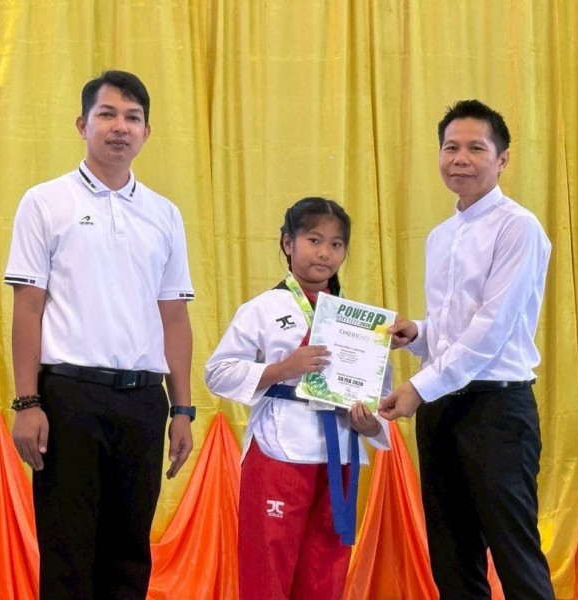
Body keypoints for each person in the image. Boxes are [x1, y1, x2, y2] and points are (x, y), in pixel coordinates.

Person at [3, 70, 196, 599]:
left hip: (143, 402)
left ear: (146, 132)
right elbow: (28, 308)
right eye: (107, 114)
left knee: (130, 551)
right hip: (69, 398)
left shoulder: (164, 214)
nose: (120, 127)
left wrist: (182, 409)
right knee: (68, 548)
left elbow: (175, 318)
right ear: (82, 124)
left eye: (132, 118)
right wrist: (27, 402)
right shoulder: (45, 202)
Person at [378, 99, 554, 599]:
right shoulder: (440, 236)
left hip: (496, 408)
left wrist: (417, 387)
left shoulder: (518, 227)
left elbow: (493, 329)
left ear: (502, 159)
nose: (460, 158)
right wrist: (420, 333)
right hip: (441, 407)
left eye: (476, 148)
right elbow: (455, 326)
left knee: (515, 554)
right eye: (450, 147)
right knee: (452, 557)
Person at [205, 197, 391, 600]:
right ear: (288, 243)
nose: (325, 253)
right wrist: (281, 369)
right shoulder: (262, 309)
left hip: (340, 450)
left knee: (327, 569)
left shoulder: (359, 321)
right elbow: (217, 372)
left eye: (336, 244)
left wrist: (371, 422)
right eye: (314, 240)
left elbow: (382, 392)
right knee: (267, 566)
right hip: (278, 449)